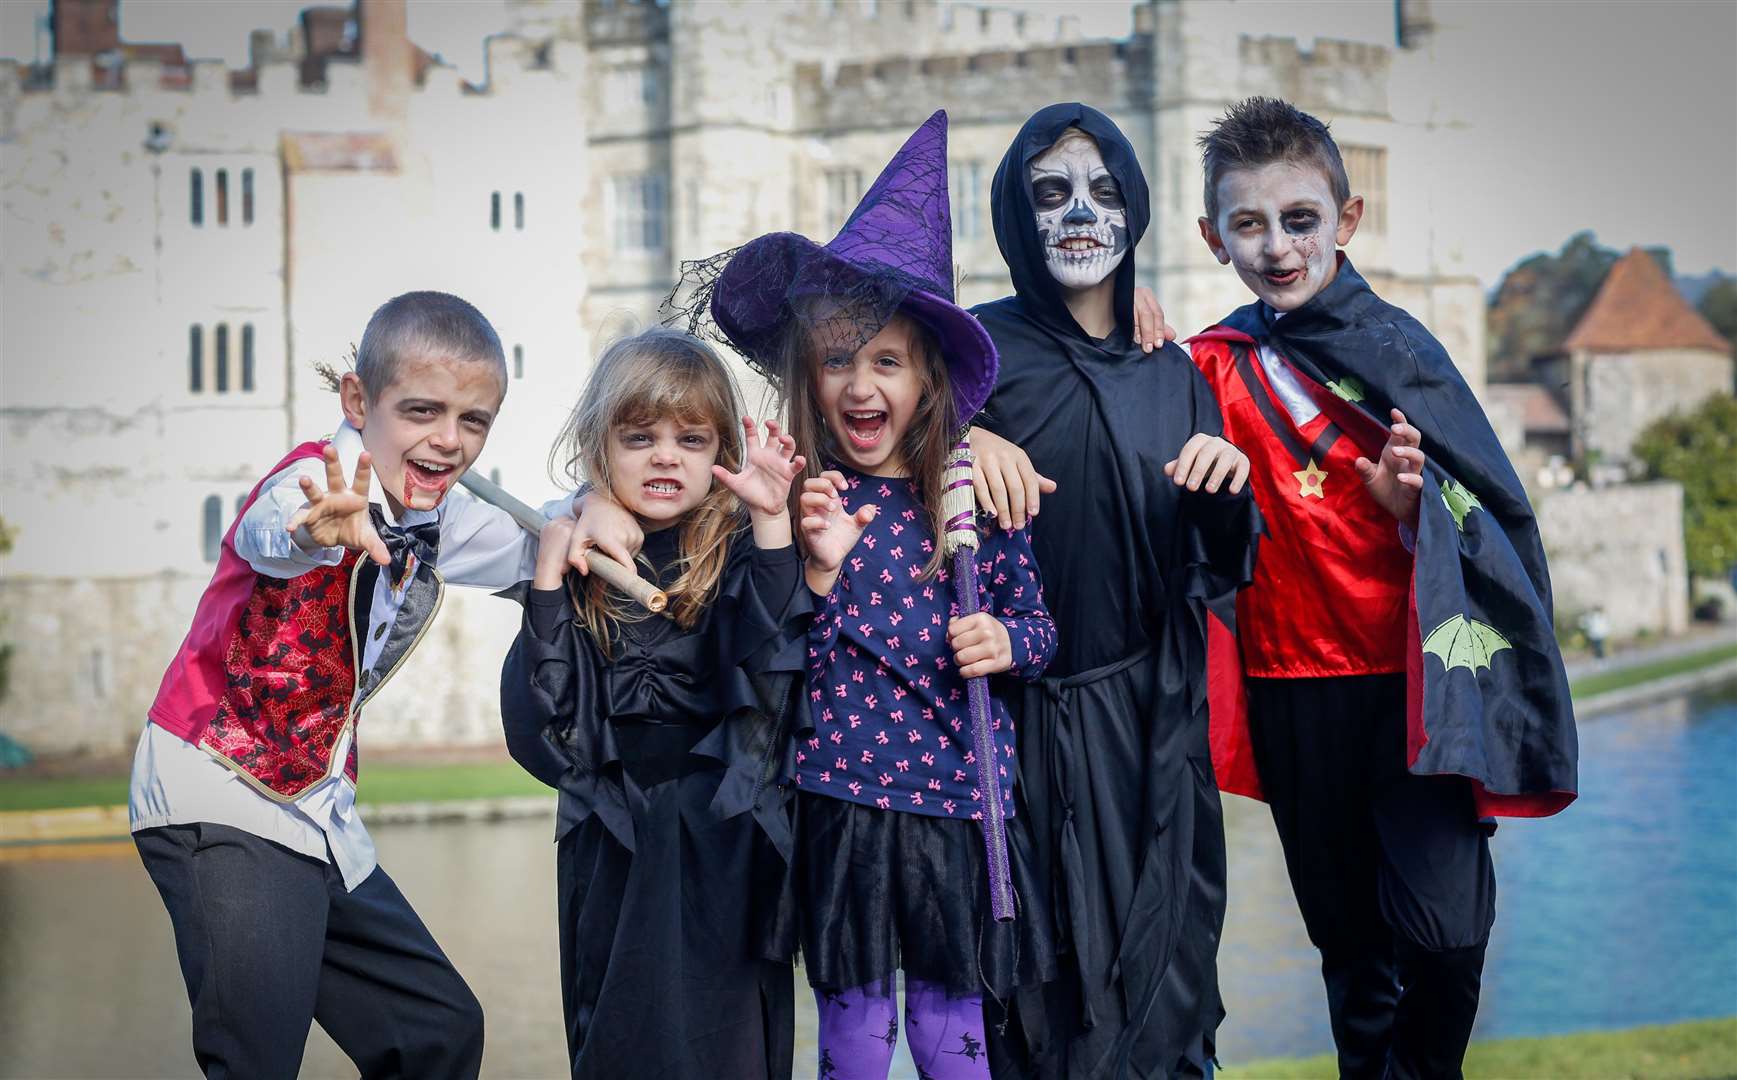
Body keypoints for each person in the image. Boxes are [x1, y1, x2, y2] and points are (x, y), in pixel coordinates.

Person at [1186, 97, 1579, 1079]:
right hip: (1290, 689)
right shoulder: (1208, 365)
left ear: (1347, 220)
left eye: (1300, 219)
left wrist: (1416, 516)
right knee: (1353, 957)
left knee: (1444, 943)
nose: (1276, 246)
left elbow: (1491, 513)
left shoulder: (1406, 354)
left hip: (1416, 687)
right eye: (1249, 224)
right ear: (1213, 238)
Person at [672, 109, 1051, 1080]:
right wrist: (809, 563)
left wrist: (1007, 645)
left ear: (926, 380)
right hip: (842, 798)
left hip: (961, 805)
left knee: (950, 1033)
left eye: (886, 361)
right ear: (809, 374)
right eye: (837, 360)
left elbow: (1042, 627)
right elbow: (769, 650)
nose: (859, 382)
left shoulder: (974, 503)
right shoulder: (796, 499)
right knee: (851, 1034)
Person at [129, 290, 544, 1079]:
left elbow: (537, 544)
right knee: (256, 1059)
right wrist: (311, 530)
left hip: (314, 814)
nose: (448, 441)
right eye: (422, 411)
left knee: (436, 1031)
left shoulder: (436, 515)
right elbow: (273, 530)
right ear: (359, 399)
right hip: (222, 794)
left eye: (473, 421)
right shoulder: (308, 486)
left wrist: (602, 516)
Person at [963, 103, 1261, 1079]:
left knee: (1166, 996)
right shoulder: (971, 360)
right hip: (1018, 738)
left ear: (1134, 211)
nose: (1080, 213)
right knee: (1041, 1006)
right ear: (1016, 216)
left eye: (1103, 192)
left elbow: (1216, 569)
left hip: (1153, 737)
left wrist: (1226, 489)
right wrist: (954, 444)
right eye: (1051, 194)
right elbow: (871, 451)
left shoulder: (1170, 372)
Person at [499, 328, 811, 1079]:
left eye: (690, 438)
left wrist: (772, 524)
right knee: (619, 1031)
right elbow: (544, 736)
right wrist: (546, 580)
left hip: (724, 831)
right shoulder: (579, 563)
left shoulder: (737, 552)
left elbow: (774, 668)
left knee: (726, 1038)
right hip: (614, 834)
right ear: (600, 449)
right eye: (639, 437)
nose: (665, 455)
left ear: (720, 454)